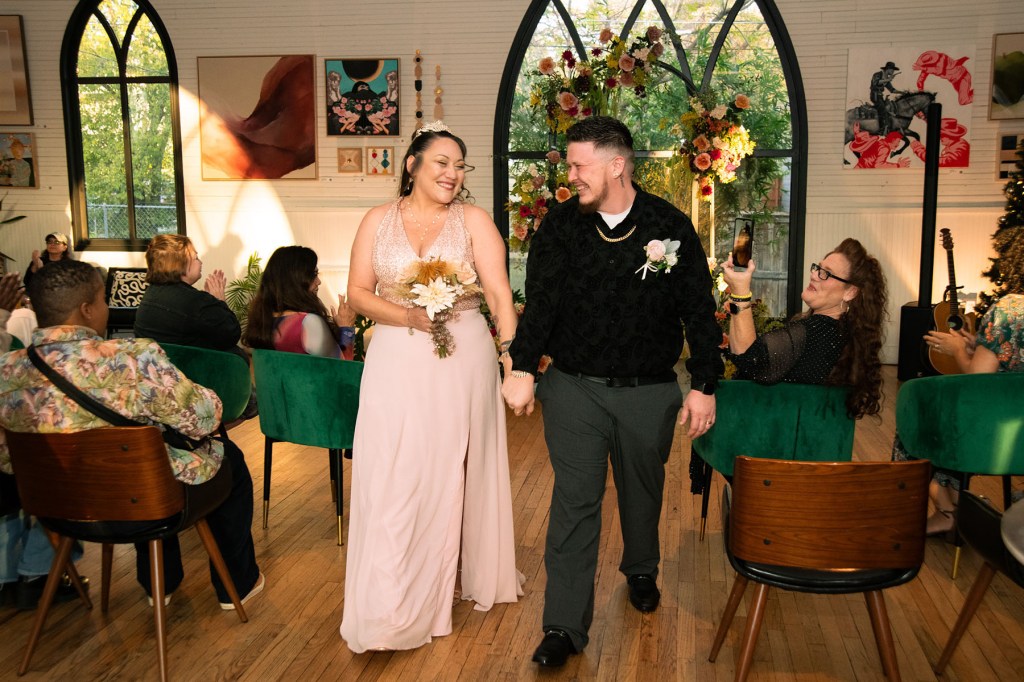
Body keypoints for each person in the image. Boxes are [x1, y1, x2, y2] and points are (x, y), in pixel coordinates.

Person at [502, 116, 723, 668]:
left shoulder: (668, 226)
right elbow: (541, 303)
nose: (570, 175)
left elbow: (698, 309)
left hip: (649, 391)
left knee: (641, 492)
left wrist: (704, 384)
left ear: (616, 165)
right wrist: (523, 366)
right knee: (574, 503)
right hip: (574, 388)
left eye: (579, 165)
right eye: (569, 165)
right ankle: (563, 625)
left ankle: (642, 568)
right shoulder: (560, 226)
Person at [340, 121, 522, 653]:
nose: (452, 173)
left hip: (462, 353)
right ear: (412, 165)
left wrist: (513, 360)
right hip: (395, 354)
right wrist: (406, 316)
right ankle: (387, 594)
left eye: (460, 165)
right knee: (393, 468)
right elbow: (355, 292)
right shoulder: (377, 220)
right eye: (442, 162)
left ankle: (438, 592)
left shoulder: (473, 221)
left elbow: (498, 294)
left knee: (447, 470)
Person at [0, 260, 263, 610]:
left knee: (143, 453)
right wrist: (210, 397)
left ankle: (160, 585)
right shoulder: (133, 358)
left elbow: (7, 459)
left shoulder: (7, 369)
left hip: (58, 510)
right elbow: (203, 419)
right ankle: (237, 584)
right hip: (141, 505)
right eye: (103, 300)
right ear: (87, 309)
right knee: (225, 460)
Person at [720, 237, 888, 419]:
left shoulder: (814, 332)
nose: (814, 275)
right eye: (818, 268)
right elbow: (747, 354)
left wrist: (741, 290)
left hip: (760, 436)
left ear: (850, 292)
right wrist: (738, 302)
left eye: (826, 273)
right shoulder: (845, 336)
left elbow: (749, 360)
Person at [903, 293, 1024, 534]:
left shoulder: (1011, 308)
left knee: (919, 421)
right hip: (1018, 438)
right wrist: (978, 349)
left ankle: (947, 510)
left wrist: (958, 349)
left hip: (993, 437)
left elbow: (977, 382)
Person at [0, 271, 86, 611]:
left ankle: (7, 577)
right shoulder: (121, 358)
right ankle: (37, 572)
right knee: (68, 474)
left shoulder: (11, 364)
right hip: (66, 483)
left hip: (16, 465)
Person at [134, 234, 241, 352]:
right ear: (180, 264)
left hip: (154, 367)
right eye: (196, 258)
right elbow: (231, 335)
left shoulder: (151, 293)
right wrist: (219, 300)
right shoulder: (195, 301)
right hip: (186, 368)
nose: (200, 262)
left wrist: (210, 306)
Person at [244, 246, 355, 359]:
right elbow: (343, 369)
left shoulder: (262, 321)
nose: (319, 281)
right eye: (314, 274)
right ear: (296, 280)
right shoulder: (308, 323)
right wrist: (346, 327)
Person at [870, 61, 901, 135]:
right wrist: (888, 79)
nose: (893, 72)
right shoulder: (877, 74)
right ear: (888, 69)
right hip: (875, 96)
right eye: (892, 70)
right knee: (883, 109)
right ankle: (881, 129)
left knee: (889, 108)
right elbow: (876, 82)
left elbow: (892, 90)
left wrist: (902, 92)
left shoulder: (886, 79)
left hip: (880, 96)